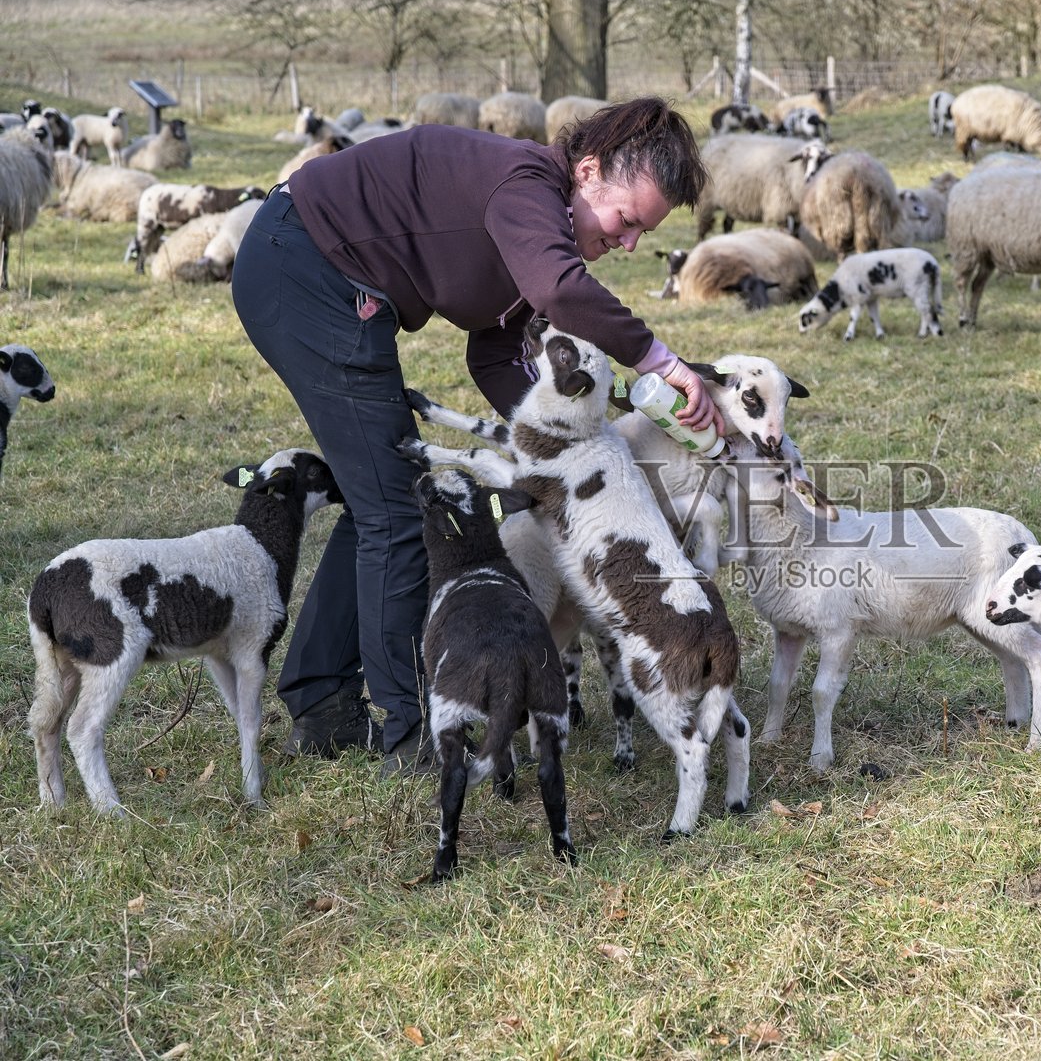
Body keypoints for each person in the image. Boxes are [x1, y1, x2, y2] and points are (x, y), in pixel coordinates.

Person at [231, 97, 715, 775]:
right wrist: (659, 359)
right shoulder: (525, 187)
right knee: (399, 509)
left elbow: (492, 354)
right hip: (304, 265)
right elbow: (559, 290)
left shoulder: (533, 227)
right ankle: (410, 736)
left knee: (386, 496)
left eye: (641, 232)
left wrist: (568, 452)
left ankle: (321, 705)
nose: (629, 243)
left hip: (321, 274)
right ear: (588, 171)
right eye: (626, 220)